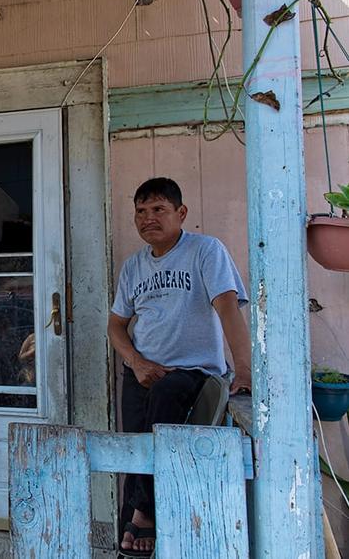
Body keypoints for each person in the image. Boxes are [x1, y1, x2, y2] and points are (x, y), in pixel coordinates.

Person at [107, 177, 251, 556]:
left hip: (192, 373)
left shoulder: (205, 251)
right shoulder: (133, 267)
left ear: (181, 213)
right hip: (140, 372)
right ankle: (132, 530)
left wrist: (245, 371)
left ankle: (144, 516)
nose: (148, 218)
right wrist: (136, 363)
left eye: (158, 210)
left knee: (168, 404)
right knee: (136, 447)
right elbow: (116, 326)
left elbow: (228, 310)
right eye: (140, 211)